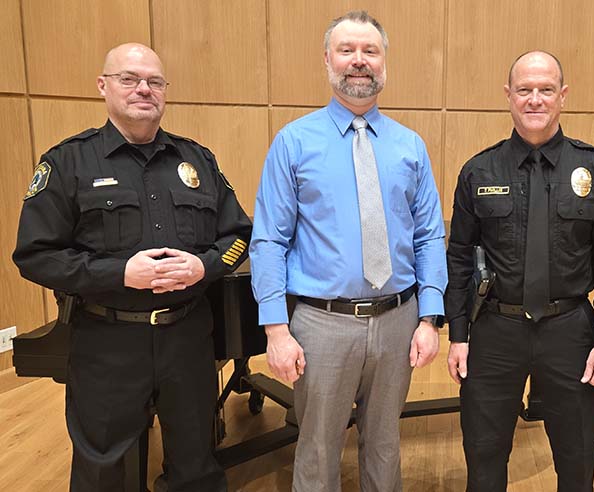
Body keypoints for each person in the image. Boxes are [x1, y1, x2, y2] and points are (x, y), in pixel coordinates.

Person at [13, 43, 252, 491]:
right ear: (103, 87)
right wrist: (120, 274)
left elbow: (238, 235)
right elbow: (36, 255)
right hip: (108, 343)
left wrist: (204, 267)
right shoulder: (68, 162)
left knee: (197, 462)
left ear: (165, 92)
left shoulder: (197, 160)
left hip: (188, 337)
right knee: (105, 470)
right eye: (129, 79)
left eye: (154, 82)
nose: (144, 89)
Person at [249, 10, 447, 492]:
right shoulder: (293, 142)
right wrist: (276, 330)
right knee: (317, 447)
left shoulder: (410, 146)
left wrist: (429, 318)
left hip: (399, 319)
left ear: (384, 64)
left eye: (370, 51)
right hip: (322, 325)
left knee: (384, 443)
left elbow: (428, 236)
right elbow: (269, 240)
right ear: (327, 61)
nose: (359, 61)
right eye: (347, 50)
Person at [444, 50, 594, 492]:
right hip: (495, 329)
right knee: (484, 454)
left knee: (578, 455)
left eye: (546, 89)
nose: (535, 99)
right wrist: (457, 333)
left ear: (562, 96)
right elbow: (458, 255)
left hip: (570, 331)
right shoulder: (479, 170)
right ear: (508, 96)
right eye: (525, 90)